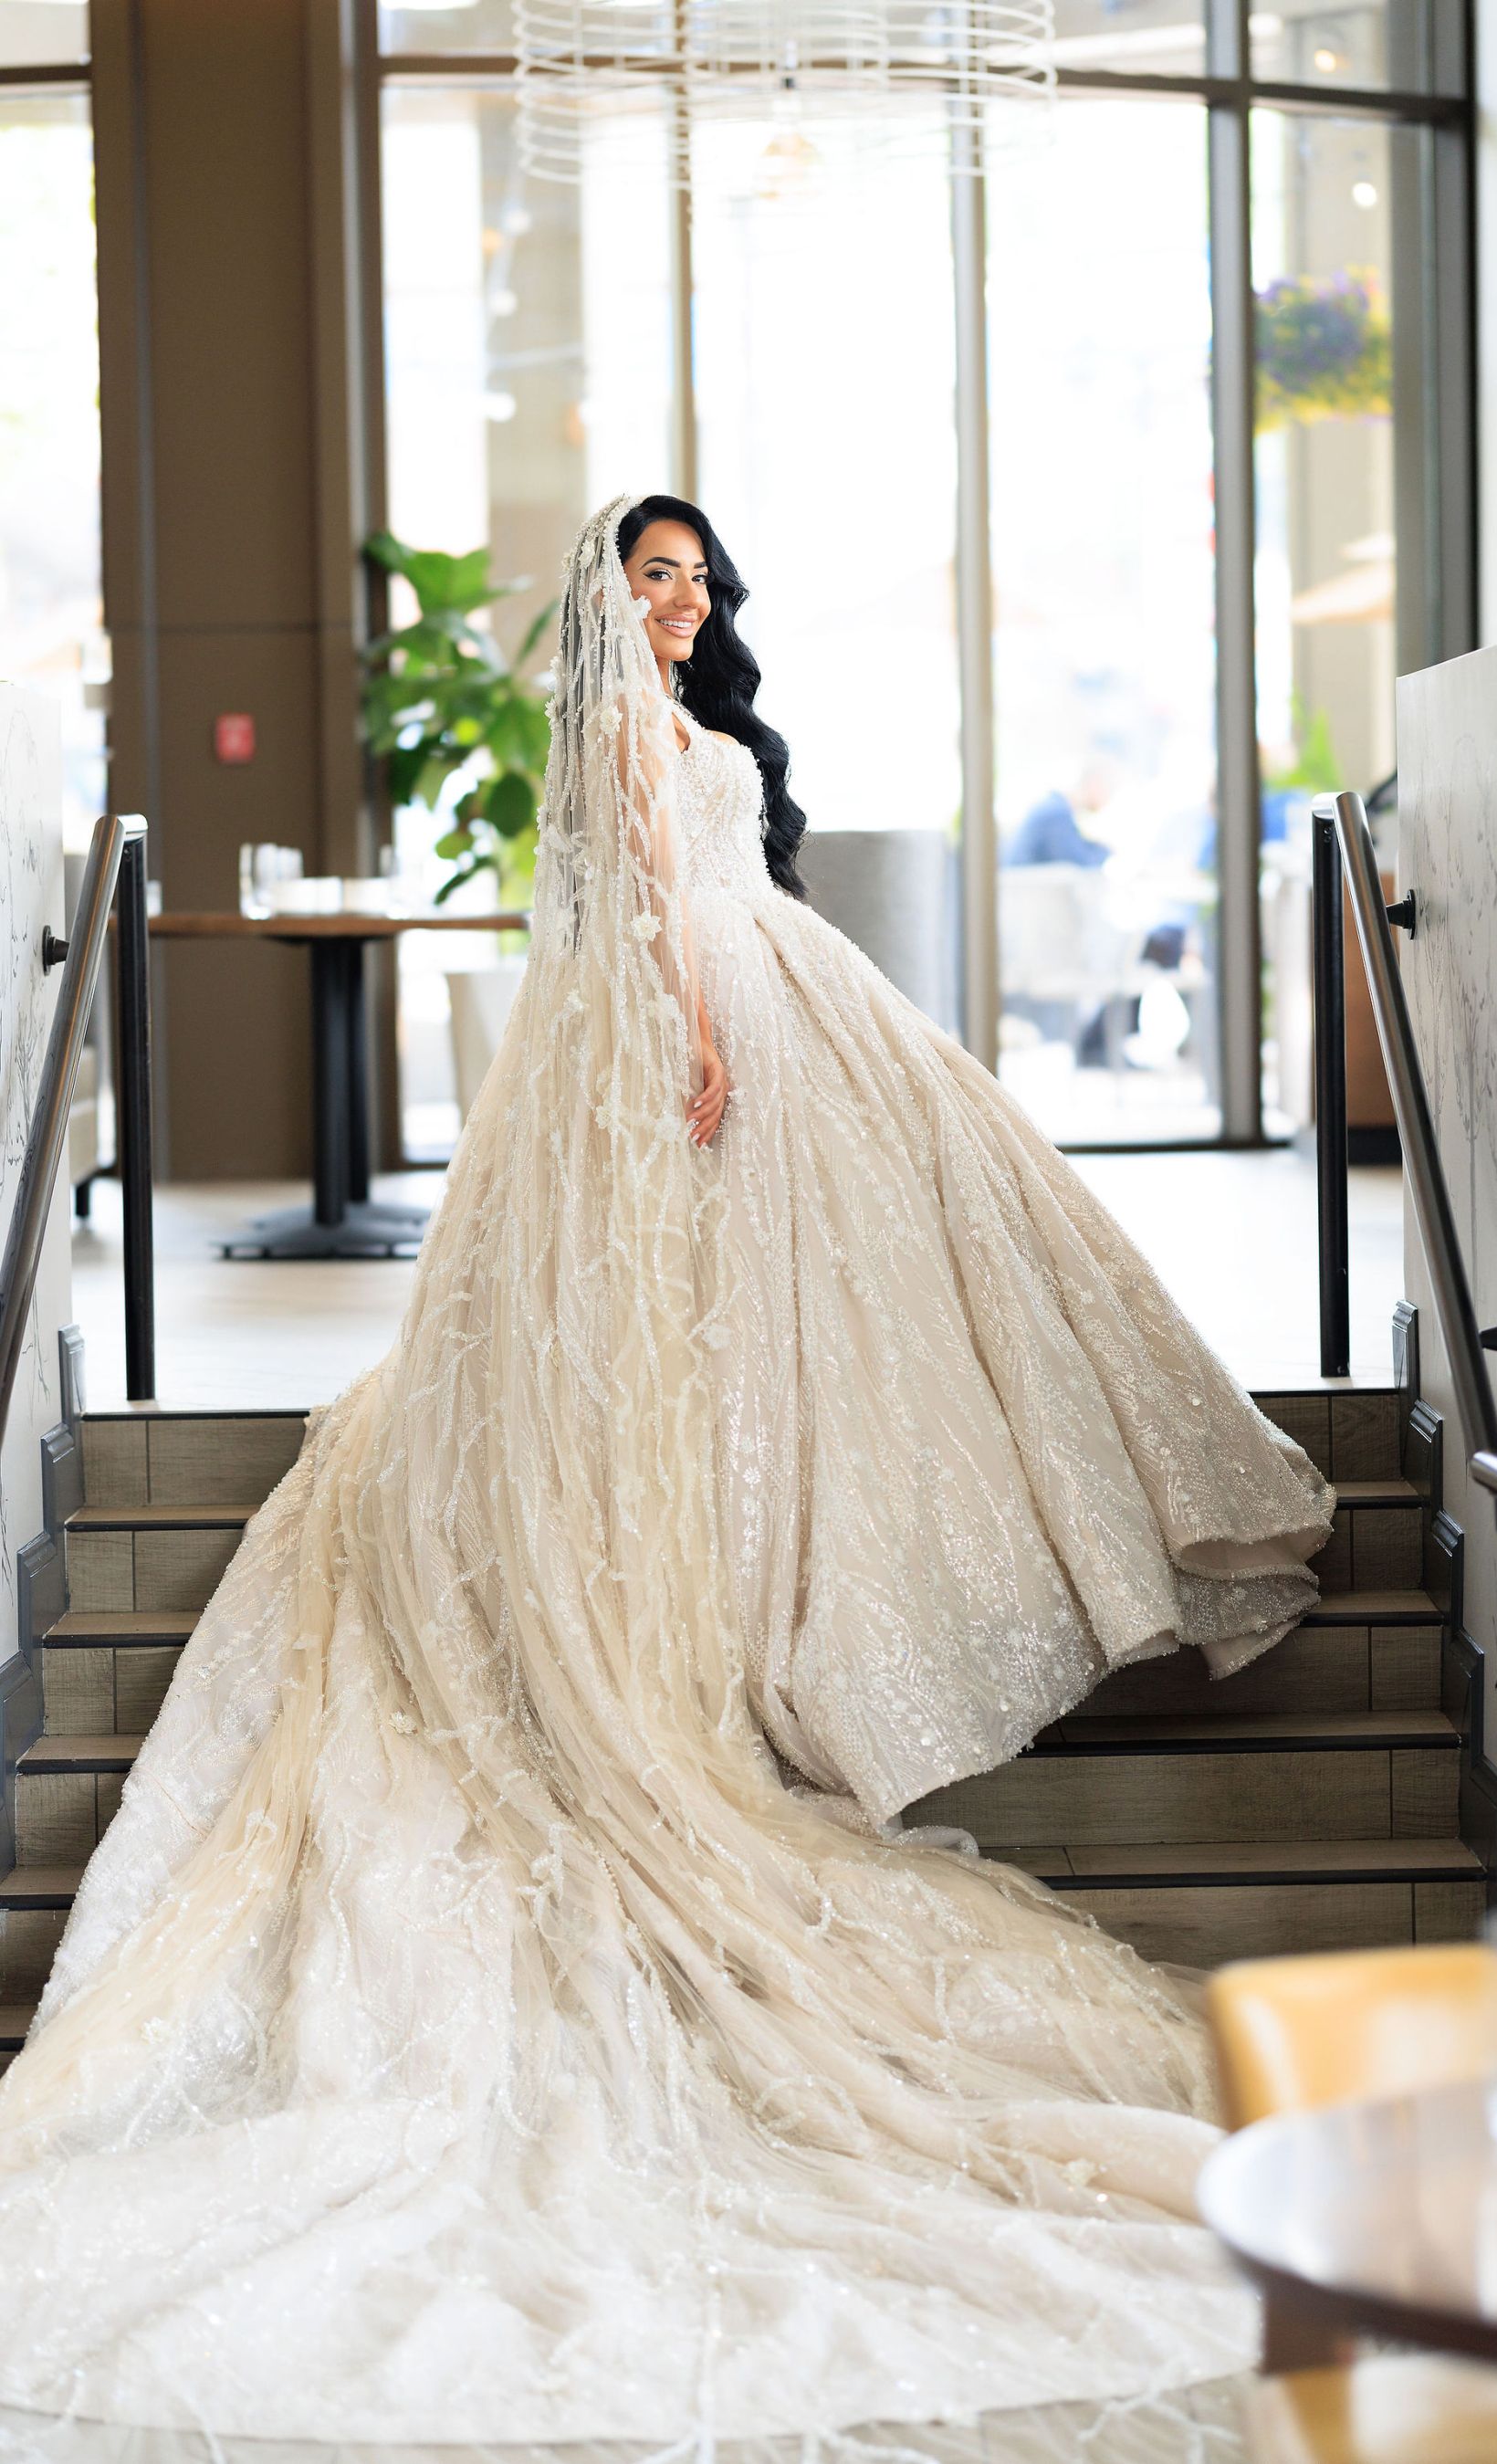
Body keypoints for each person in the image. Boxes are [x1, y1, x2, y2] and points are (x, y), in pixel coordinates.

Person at [0, 495, 1332, 2456]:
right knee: (709, 1345)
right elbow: (632, 884)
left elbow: (690, 859)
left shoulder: (710, 720)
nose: (683, 600)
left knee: (873, 1297)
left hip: (778, 1008)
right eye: (653, 572)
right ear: (606, 596)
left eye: (699, 575)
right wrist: (694, 1036)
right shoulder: (627, 721)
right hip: (705, 1021)